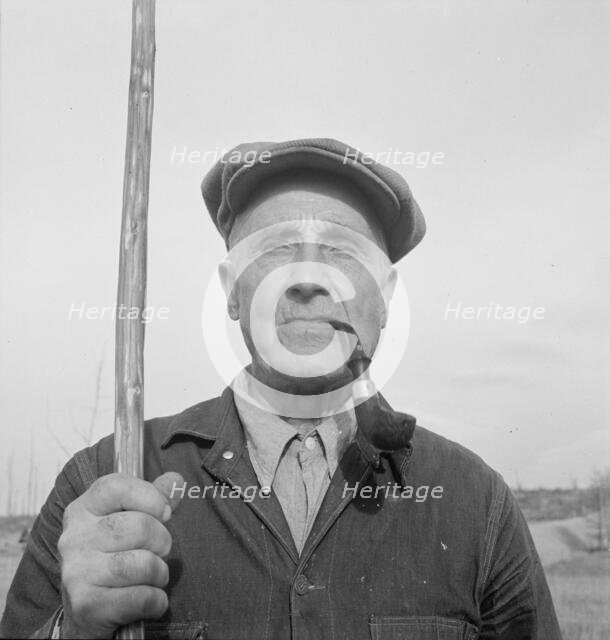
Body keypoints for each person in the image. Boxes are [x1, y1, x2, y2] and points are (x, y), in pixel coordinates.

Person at [1, 138, 562, 639]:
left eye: (344, 251)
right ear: (231, 292)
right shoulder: (108, 481)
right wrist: (72, 630)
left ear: (386, 297)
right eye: (274, 249)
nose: (308, 278)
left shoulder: (475, 502)